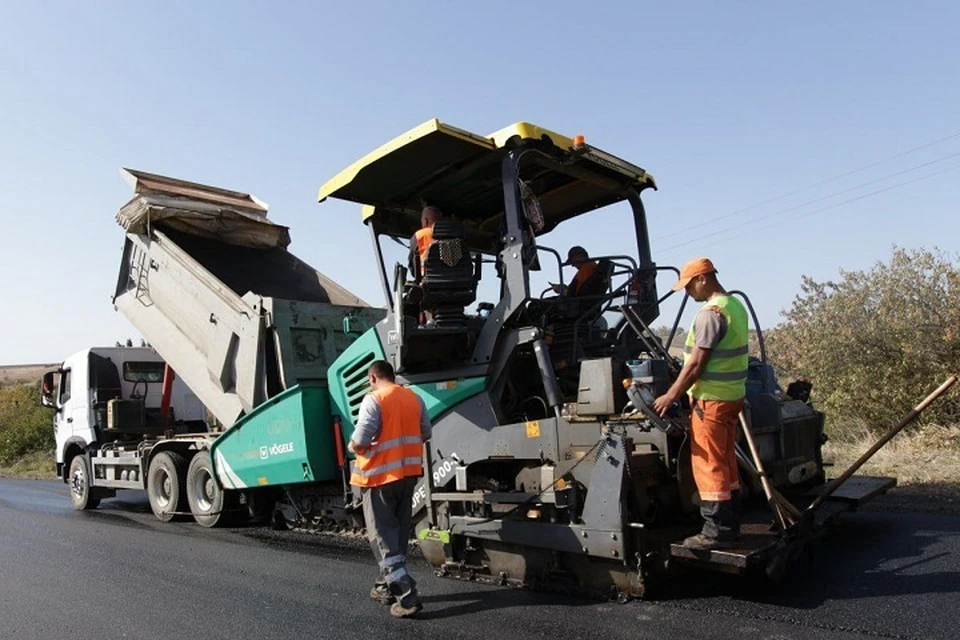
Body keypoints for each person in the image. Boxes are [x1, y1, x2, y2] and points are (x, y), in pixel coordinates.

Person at [651, 258, 749, 550]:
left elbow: (695, 364)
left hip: (711, 402)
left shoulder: (711, 313)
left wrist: (671, 395)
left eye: (689, 285)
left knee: (709, 465)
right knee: (727, 463)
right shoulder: (735, 306)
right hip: (732, 397)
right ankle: (729, 525)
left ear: (703, 279)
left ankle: (715, 531)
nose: (687, 292)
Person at [348, 360, 432, 618]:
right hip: (407, 475)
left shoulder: (374, 399)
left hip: (379, 478)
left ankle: (407, 597)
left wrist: (353, 447)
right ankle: (384, 587)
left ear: (373, 378)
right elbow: (426, 433)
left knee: (383, 538)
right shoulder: (414, 398)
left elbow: (361, 439)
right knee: (396, 534)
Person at [408, 205, 444, 281]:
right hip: (454, 282)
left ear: (425, 221)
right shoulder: (453, 237)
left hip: (428, 281)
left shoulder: (419, 235)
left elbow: (412, 264)